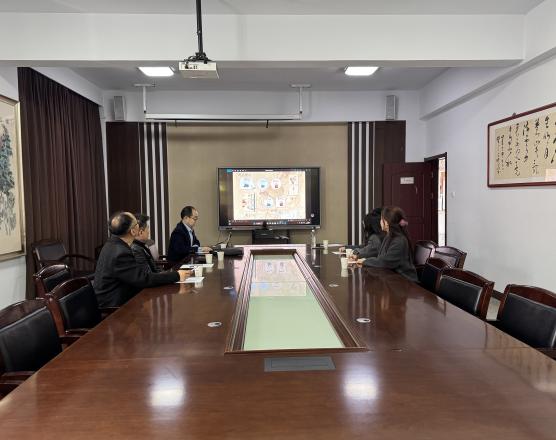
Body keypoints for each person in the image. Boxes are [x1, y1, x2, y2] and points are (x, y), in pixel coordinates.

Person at [94, 212, 190, 307]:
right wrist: (177, 275)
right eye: (136, 224)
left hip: (118, 298)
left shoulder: (112, 244)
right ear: (133, 231)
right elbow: (143, 279)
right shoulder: (121, 253)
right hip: (114, 306)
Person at [356, 206, 418, 282]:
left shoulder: (399, 241)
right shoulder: (389, 236)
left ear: (387, 222)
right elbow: (381, 258)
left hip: (405, 281)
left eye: (381, 219)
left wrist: (365, 261)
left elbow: (385, 262)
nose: (380, 222)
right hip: (394, 279)